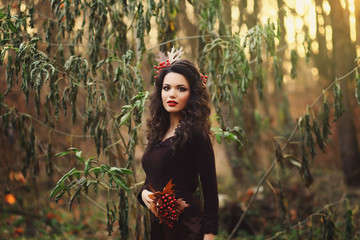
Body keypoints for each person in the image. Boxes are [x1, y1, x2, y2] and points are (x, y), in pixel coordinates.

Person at [137, 51, 219, 240]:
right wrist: (144, 196)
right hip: (158, 229)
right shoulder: (157, 134)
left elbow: (210, 190)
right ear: (160, 92)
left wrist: (209, 235)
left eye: (181, 89)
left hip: (188, 229)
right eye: (167, 88)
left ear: (192, 94)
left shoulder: (196, 134)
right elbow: (149, 182)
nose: (172, 94)